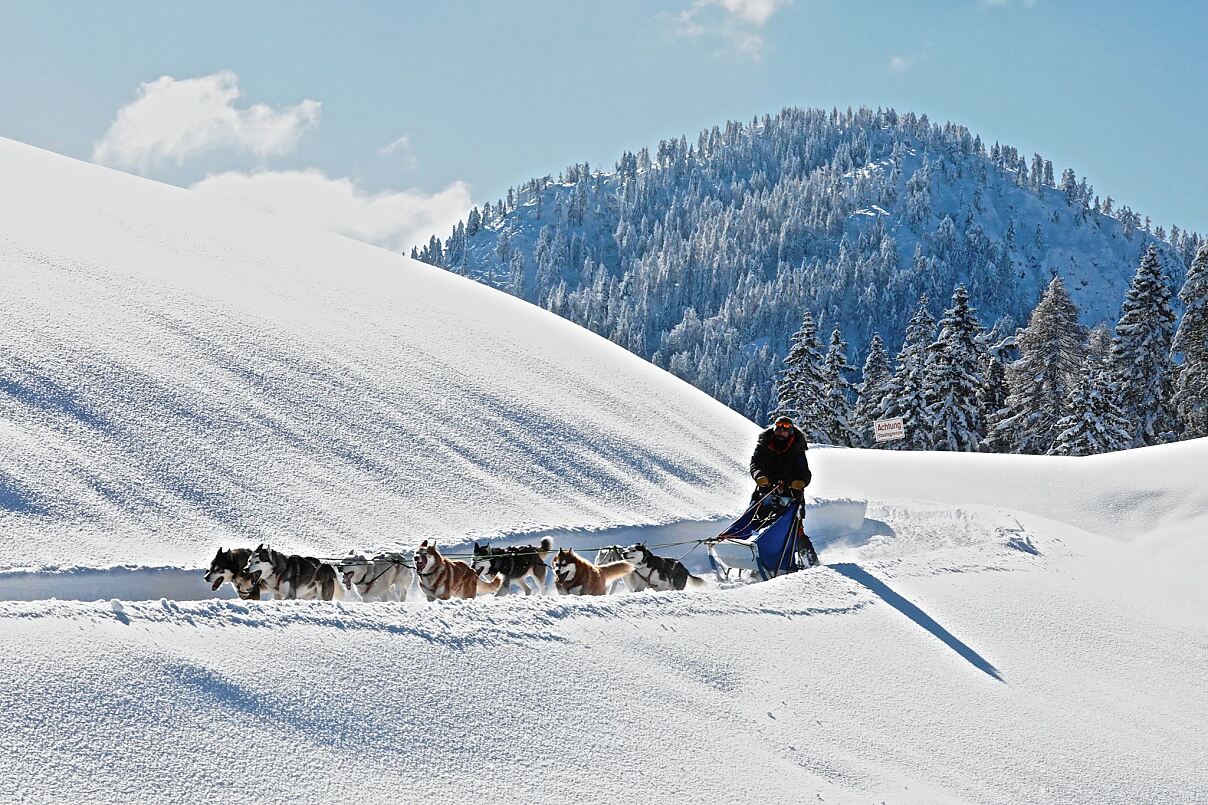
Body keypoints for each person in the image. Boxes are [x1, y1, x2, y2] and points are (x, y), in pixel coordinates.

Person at [749, 415, 811, 503]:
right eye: (778, 429)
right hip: (766, 488)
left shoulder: (797, 449)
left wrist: (801, 481)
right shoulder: (764, 444)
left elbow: (804, 470)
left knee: (788, 513)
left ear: (790, 432)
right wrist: (759, 475)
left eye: (785, 430)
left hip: (790, 491)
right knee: (757, 510)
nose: (781, 432)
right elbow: (755, 463)